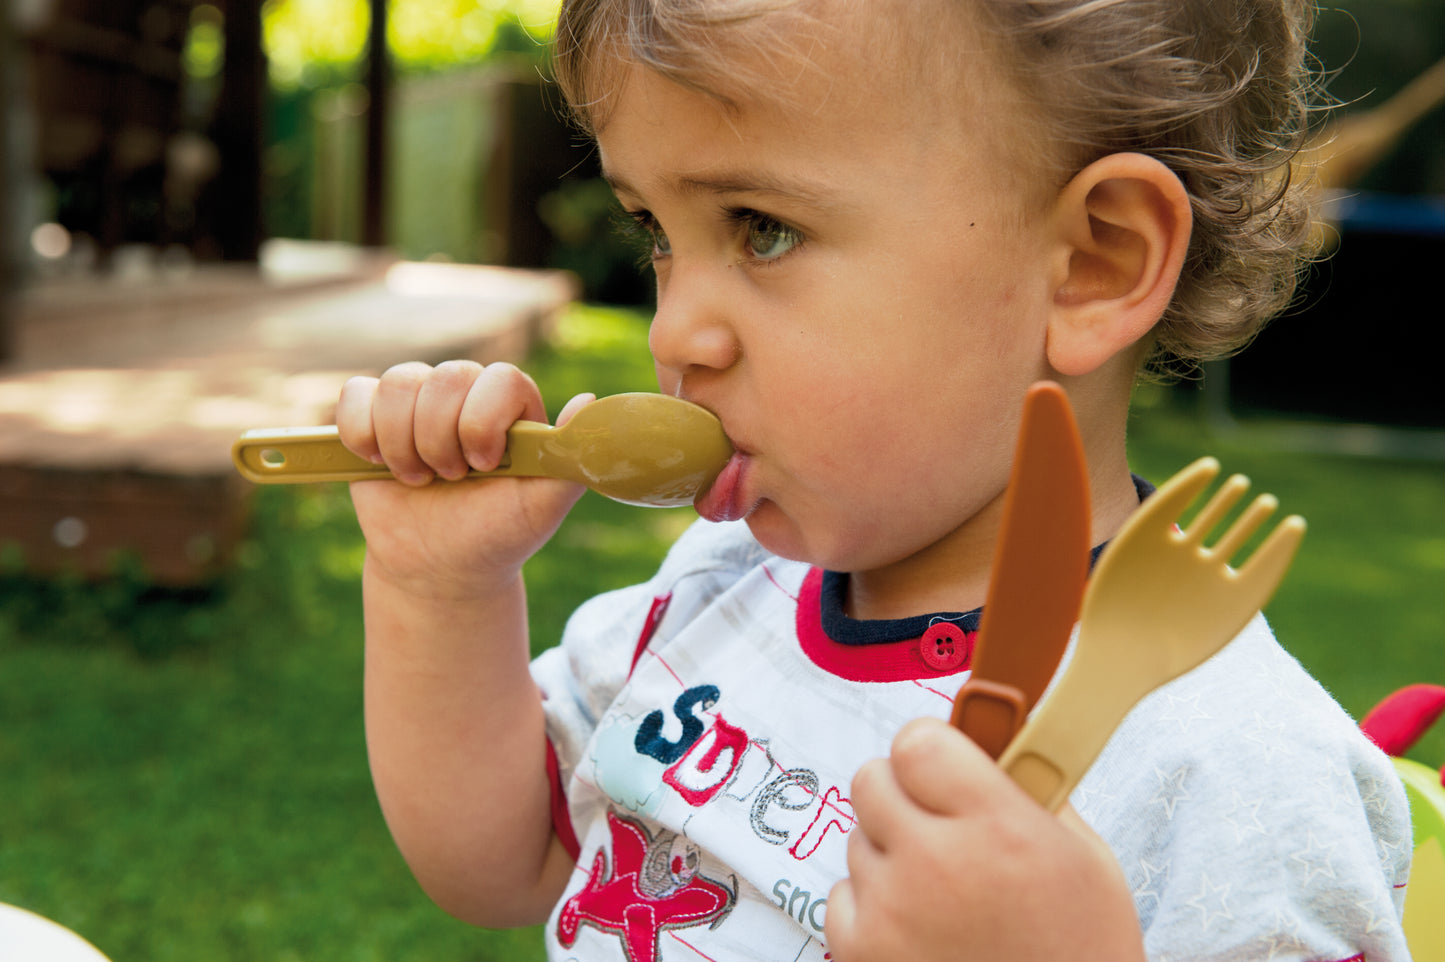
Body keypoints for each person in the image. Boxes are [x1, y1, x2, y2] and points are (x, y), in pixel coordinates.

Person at [333, 0, 1412, 958]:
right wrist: (439, 589)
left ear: (1094, 262)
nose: (677, 329)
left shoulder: (1228, 770)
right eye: (657, 231)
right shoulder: (724, 585)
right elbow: (507, 859)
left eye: (762, 229)